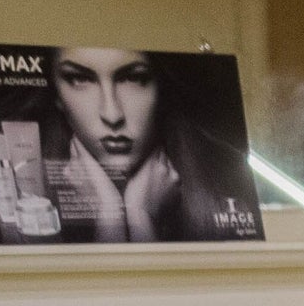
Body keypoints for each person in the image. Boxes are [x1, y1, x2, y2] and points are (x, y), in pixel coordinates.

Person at [42, 47, 256, 241]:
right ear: (57, 97)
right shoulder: (32, 212)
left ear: (162, 88)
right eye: (79, 79)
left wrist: (139, 214)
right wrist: (110, 213)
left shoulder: (233, 200)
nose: (112, 114)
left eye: (134, 78)